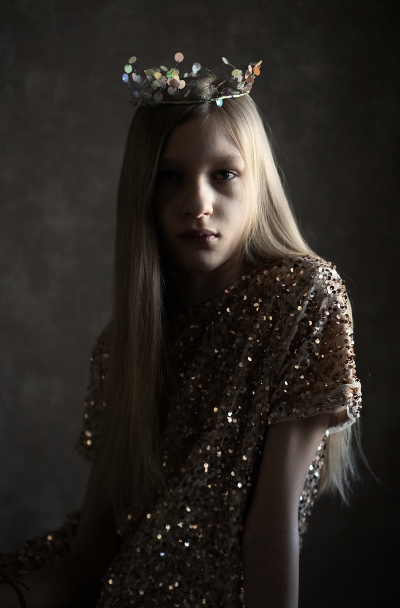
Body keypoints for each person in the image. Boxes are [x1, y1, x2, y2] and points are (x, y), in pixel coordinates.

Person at [0, 53, 362, 608]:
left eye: (224, 174)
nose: (198, 204)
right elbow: (90, 558)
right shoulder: (121, 346)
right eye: (170, 177)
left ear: (257, 181)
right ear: (142, 189)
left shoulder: (303, 298)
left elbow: (270, 532)